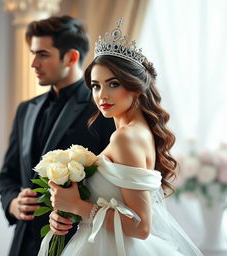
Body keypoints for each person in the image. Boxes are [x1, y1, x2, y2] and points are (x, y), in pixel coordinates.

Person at [47, 18, 203, 255]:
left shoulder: (126, 138)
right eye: (96, 86)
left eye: (113, 84)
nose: (102, 95)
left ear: (136, 86)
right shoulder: (136, 132)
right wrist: (68, 212)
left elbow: (141, 227)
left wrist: (77, 206)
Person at [0, 15, 115, 256]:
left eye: (43, 54)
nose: (33, 64)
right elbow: (7, 175)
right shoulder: (25, 109)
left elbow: (114, 185)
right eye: (33, 54)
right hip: (23, 244)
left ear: (71, 57)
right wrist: (13, 202)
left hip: (76, 242)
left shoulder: (103, 110)